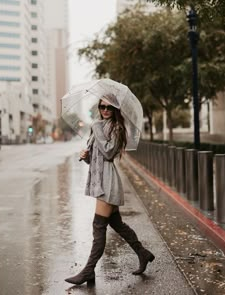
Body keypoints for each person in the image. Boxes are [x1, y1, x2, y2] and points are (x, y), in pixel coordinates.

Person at [65, 96, 155, 285]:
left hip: (108, 183)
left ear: (115, 109)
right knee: (117, 224)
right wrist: (87, 156)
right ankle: (143, 253)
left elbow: (108, 153)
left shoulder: (117, 128)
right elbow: (97, 158)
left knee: (98, 227)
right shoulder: (98, 126)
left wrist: (96, 128)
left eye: (109, 107)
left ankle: (88, 271)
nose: (105, 110)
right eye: (102, 106)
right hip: (100, 180)